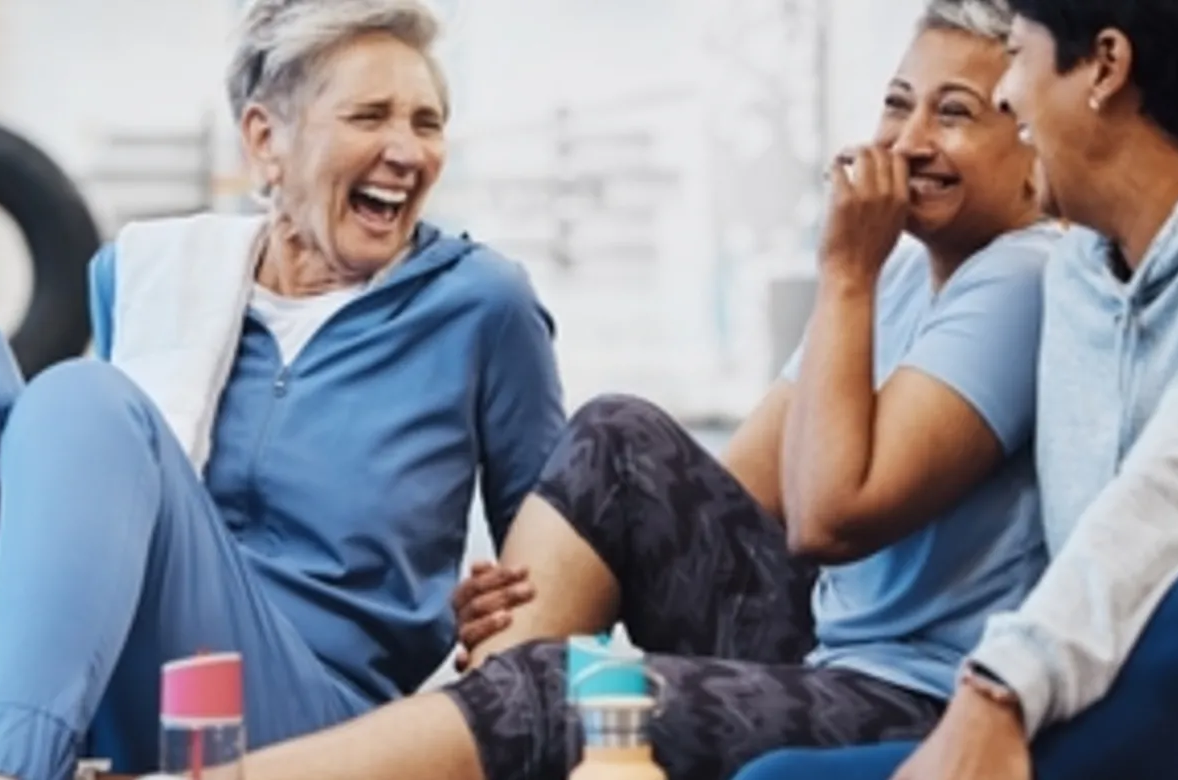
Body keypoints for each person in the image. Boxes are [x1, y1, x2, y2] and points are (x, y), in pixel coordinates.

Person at [141, 3, 1060, 778]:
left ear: (1030, 145)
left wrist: (845, 272)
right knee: (617, 438)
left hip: (912, 695)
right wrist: (532, 586)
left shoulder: (1019, 278)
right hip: (821, 643)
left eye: (956, 114)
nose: (907, 142)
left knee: (558, 693)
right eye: (898, 104)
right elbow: (720, 502)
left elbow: (828, 516)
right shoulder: (904, 277)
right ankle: (487, 706)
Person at [0, 2, 565, 779]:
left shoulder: (482, 305)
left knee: (84, 402)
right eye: (370, 117)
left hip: (311, 727)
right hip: (94, 679)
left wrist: (504, 615)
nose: (408, 150)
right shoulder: (147, 276)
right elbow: (104, 519)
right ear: (265, 139)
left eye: (426, 123)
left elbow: (564, 559)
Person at [733, 1, 1178, 779]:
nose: (1007, 98)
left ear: (1105, 64)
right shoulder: (1079, 275)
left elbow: (1169, 506)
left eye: (1022, 57)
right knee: (776, 777)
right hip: (1152, 712)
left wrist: (999, 689)